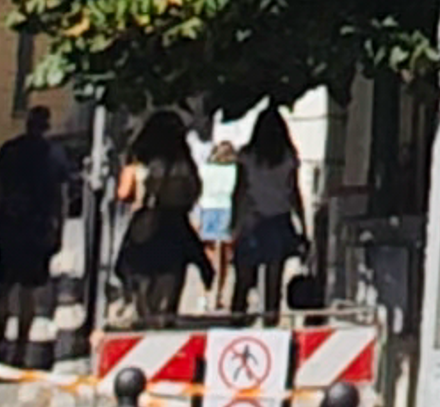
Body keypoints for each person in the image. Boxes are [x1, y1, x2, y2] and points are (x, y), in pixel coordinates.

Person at [0, 101, 70, 361]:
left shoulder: (10, 150)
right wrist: (59, 231)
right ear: (47, 126)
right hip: (38, 229)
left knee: (4, 287)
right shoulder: (54, 155)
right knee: (28, 291)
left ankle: (0, 340)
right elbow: (61, 199)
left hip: (9, 225)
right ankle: (21, 347)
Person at [111, 108, 203, 323]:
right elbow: (194, 191)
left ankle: (145, 316)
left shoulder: (142, 162)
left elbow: (124, 193)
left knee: (140, 271)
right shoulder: (184, 163)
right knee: (173, 273)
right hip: (176, 222)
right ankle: (166, 316)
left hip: (147, 222)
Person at [221, 96, 308, 310]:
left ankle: (238, 317)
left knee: (243, 279)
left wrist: (234, 225)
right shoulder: (288, 158)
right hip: (279, 220)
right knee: (273, 280)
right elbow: (294, 192)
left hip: (253, 220)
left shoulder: (247, 156)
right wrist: (303, 225)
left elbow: (240, 191)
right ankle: (271, 318)